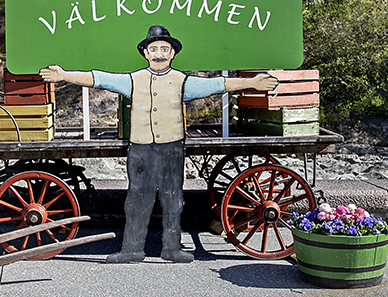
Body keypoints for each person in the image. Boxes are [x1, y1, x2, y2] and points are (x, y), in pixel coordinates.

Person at [40, 24, 278, 263]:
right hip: (140, 147)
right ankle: (132, 249)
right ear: (146, 53)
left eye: (165, 49)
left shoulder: (182, 81)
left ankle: (171, 248)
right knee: (136, 199)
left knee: (173, 198)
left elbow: (217, 84)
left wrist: (253, 83)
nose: (160, 54)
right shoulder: (134, 80)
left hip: (171, 147)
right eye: (154, 49)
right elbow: (99, 79)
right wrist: (64, 75)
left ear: (173, 53)